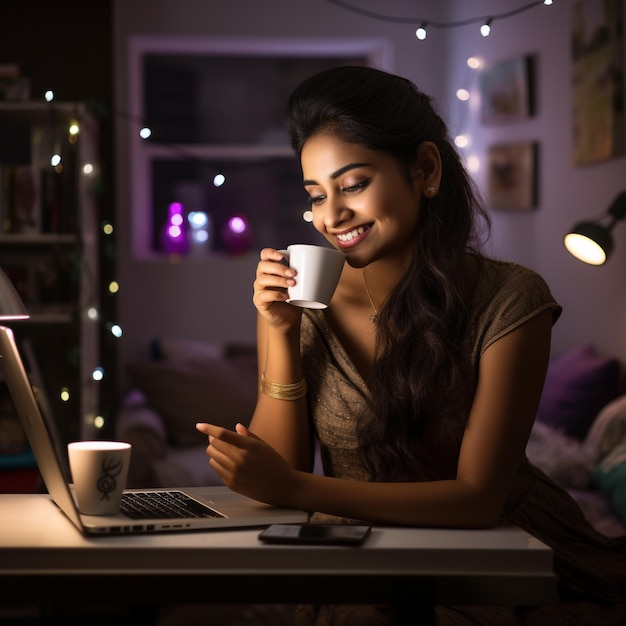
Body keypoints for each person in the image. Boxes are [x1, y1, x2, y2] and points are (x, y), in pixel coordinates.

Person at [197, 66, 626, 624]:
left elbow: (478, 500)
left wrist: (301, 489)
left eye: (353, 185)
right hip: (360, 561)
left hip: (503, 553)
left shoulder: (511, 300)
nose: (331, 216)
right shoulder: (305, 298)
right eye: (315, 195)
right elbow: (277, 480)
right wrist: (279, 330)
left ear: (424, 169)